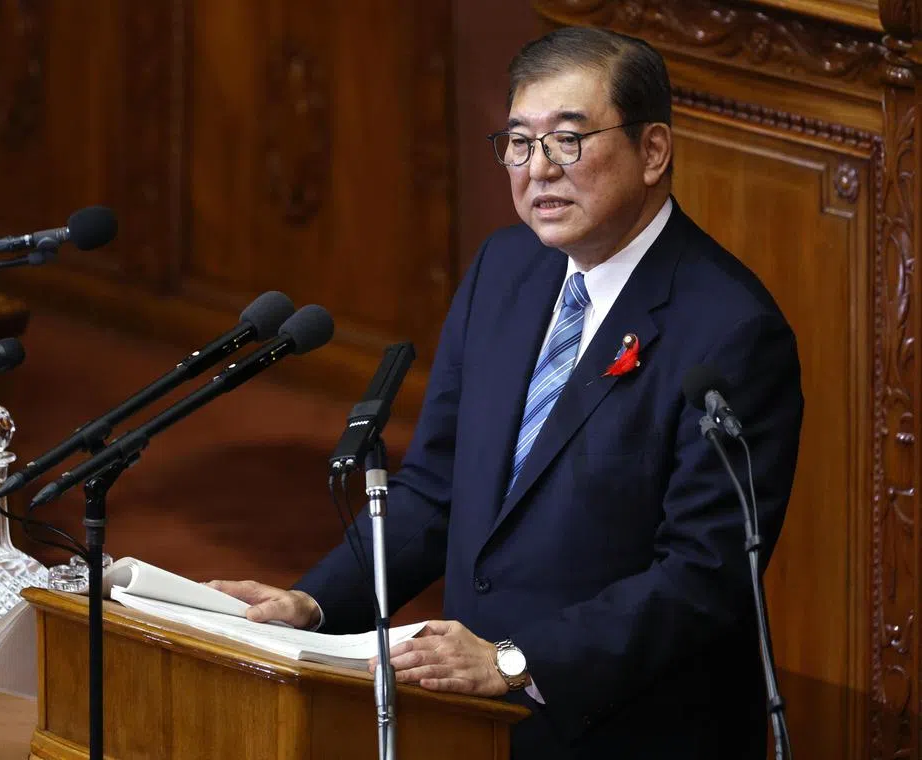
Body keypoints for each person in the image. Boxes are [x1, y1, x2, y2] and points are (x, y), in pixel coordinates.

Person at [209, 25, 803, 759]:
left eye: (568, 140)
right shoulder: (506, 268)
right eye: (519, 142)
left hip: (628, 730)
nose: (538, 169)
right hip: (475, 725)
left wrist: (515, 660)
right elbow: (434, 488)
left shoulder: (732, 331)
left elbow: (701, 577)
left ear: (654, 151)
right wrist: (316, 602)